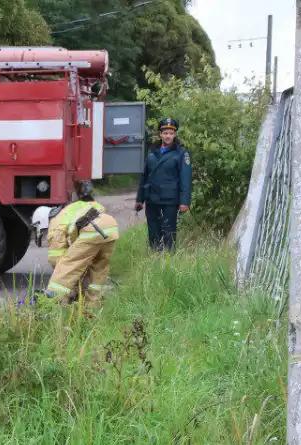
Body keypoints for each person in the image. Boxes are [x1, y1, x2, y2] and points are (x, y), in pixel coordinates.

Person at [42, 180, 120, 308]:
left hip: (92, 230)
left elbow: (57, 258)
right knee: (98, 268)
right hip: (110, 228)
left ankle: (52, 304)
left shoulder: (55, 223)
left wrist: (66, 280)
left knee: (68, 265)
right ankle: (92, 306)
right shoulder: (70, 210)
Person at [134, 117, 192, 252]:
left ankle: (169, 256)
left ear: (175, 134)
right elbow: (144, 176)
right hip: (152, 198)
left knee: (168, 230)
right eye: (165, 133)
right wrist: (139, 199)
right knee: (153, 230)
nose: (168, 136)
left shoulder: (181, 153)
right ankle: (155, 255)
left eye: (171, 133)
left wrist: (184, 202)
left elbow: (185, 179)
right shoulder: (152, 151)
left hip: (170, 199)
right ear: (160, 134)